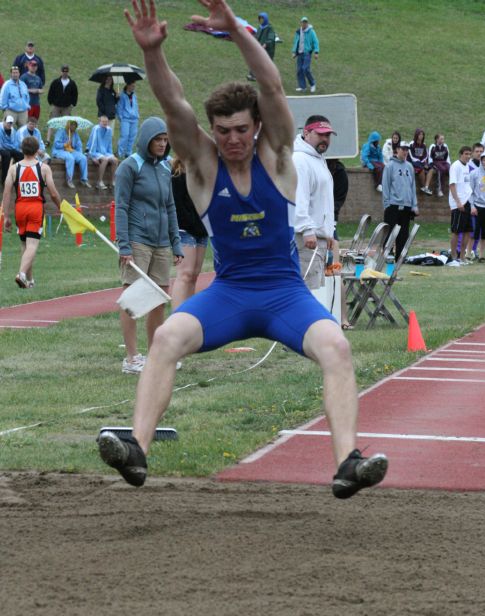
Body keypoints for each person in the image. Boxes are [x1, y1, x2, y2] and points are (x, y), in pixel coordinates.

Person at [98, 0, 388, 500]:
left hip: (284, 295)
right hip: (229, 295)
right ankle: (138, 451)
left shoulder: (277, 159)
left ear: (257, 128)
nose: (232, 139)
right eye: (223, 131)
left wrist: (235, 30)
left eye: (241, 130)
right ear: (212, 131)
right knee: (165, 338)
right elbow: (174, 105)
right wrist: (152, 54)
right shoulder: (203, 168)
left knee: (337, 347)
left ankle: (347, 463)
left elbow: (272, 86)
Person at [114, 116, 184, 374]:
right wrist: (124, 245)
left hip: (162, 243)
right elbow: (120, 207)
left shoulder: (166, 169)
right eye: (158, 139)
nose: (163, 144)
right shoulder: (129, 167)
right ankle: (131, 358)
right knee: (132, 298)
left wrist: (176, 243)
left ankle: (157, 355)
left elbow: (170, 207)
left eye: (165, 140)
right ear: (146, 140)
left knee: (158, 299)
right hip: (137, 241)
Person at [1, 135, 61, 289]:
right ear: (37, 151)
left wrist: (6, 216)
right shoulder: (44, 168)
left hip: (20, 208)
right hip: (35, 208)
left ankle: (30, 280)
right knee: (32, 244)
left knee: (24, 245)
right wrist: (60, 207)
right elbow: (53, 193)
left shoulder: (14, 169)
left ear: (22, 150)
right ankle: (21, 274)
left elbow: (6, 193)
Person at [293, 115, 335, 289]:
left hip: (318, 239)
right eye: (320, 134)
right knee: (307, 292)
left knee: (316, 290)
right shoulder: (300, 160)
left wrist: (329, 231)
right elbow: (298, 197)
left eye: (328, 135)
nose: (325, 139)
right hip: (306, 241)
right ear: (307, 133)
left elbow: (322, 201)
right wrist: (306, 229)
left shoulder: (317, 158)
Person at [171, 156, 209, 309]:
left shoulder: (204, 173)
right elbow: (177, 206)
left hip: (202, 229)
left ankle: (188, 312)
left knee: (194, 275)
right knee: (185, 274)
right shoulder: (176, 174)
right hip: (184, 228)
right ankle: (177, 315)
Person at [327, 157, 352, 329]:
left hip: (329, 226)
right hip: (311, 227)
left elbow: (338, 201)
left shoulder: (340, 173)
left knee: (335, 272)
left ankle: (343, 317)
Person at [381, 140, 418, 259]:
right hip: (393, 204)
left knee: (403, 233)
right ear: (397, 150)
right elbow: (385, 185)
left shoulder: (409, 166)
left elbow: (412, 186)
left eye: (407, 149)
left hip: (406, 205)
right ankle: (387, 254)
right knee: (390, 231)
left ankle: (400, 256)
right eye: (403, 149)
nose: (405, 152)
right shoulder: (390, 166)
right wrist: (386, 203)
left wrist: (414, 205)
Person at [449, 146, 474, 264]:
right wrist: (458, 201)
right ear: (461, 154)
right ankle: (454, 256)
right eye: (466, 154)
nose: (468, 156)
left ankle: (462, 256)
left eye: (470, 154)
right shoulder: (455, 166)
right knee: (456, 231)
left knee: (468, 230)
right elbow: (452, 185)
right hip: (458, 204)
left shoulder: (467, 167)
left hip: (467, 201)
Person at [51, 119, 91, 189]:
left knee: (83, 158)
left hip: (71, 151)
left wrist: (80, 154)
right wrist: (65, 144)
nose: (74, 127)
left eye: (75, 125)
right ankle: (69, 180)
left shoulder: (75, 134)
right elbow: (56, 144)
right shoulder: (61, 131)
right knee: (70, 158)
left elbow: (79, 145)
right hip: (60, 150)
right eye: (72, 125)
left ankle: (84, 179)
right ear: (68, 125)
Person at [46, 66, 78, 145]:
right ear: (61, 72)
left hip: (67, 107)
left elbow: (75, 94)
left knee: (66, 124)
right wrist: (51, 102)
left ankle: (66, 141)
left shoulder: (72, 83)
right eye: (63, 71)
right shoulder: (55, 82)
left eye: (66, 71)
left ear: (68, 72)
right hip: (56, 106)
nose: (65, 73)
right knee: (52, 122)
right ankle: (48, 140)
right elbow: (51, 93)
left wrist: (73, 104)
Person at [86, 115, 118, 189]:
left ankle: (112, 182)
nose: (105, 123)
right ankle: (99, 182)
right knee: (105, 159)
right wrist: (92, 156)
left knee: (115, 160)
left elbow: (109, 143)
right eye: (103, 122)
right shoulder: (96, 129)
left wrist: (111, 155)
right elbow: (92, 143)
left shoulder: (109, 130)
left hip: (105, 152)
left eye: (106, 122)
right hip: (94, 151)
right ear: (99, 122)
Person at [291, 16, 319, 93]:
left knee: (305, 69)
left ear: (307, 23)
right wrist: (294, 52)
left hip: (307, 53)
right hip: (300, 53)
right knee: (299, 70)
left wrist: (316, 52)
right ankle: (302, 86)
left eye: (305, 22)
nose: (304, 24)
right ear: (301, 23)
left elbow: (315, 42)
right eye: (303, 22)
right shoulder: (298, 32)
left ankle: (313, 84)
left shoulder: (311, 32)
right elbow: (296, 42)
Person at [247, 11, 276, 81]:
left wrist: (266, 44)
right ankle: (252, 75)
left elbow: (271, 38)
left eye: (262, 19)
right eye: (260, 19)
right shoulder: (260, 27)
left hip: (267, 50)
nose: (261, 20)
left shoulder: (269, 28)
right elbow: (257, 36)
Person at [117, 82, 140, 158]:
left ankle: (128, 153)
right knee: (125, 136)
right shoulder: (122, 96)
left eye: (134, 86)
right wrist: (121, 118)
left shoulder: (134, 95)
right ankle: (120, 153)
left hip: (134, 119)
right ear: (127, 85)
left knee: (132, 136)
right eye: (132, 86)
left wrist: (137, 116)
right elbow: (119, 107)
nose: (134, 87)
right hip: (125, 119)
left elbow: (136, 106)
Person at [0, 115, 24, 184]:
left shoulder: (13, 130)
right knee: (7, 155)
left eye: (11, 123)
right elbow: (1, 144)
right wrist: (11, 147)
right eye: (8, 122)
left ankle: (18, 176)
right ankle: (4, 180)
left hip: (8, 149)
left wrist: (10, 147)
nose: (9, 124)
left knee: (21, 155)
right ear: (4, 121)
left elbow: (16, 143)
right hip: (1, 148)